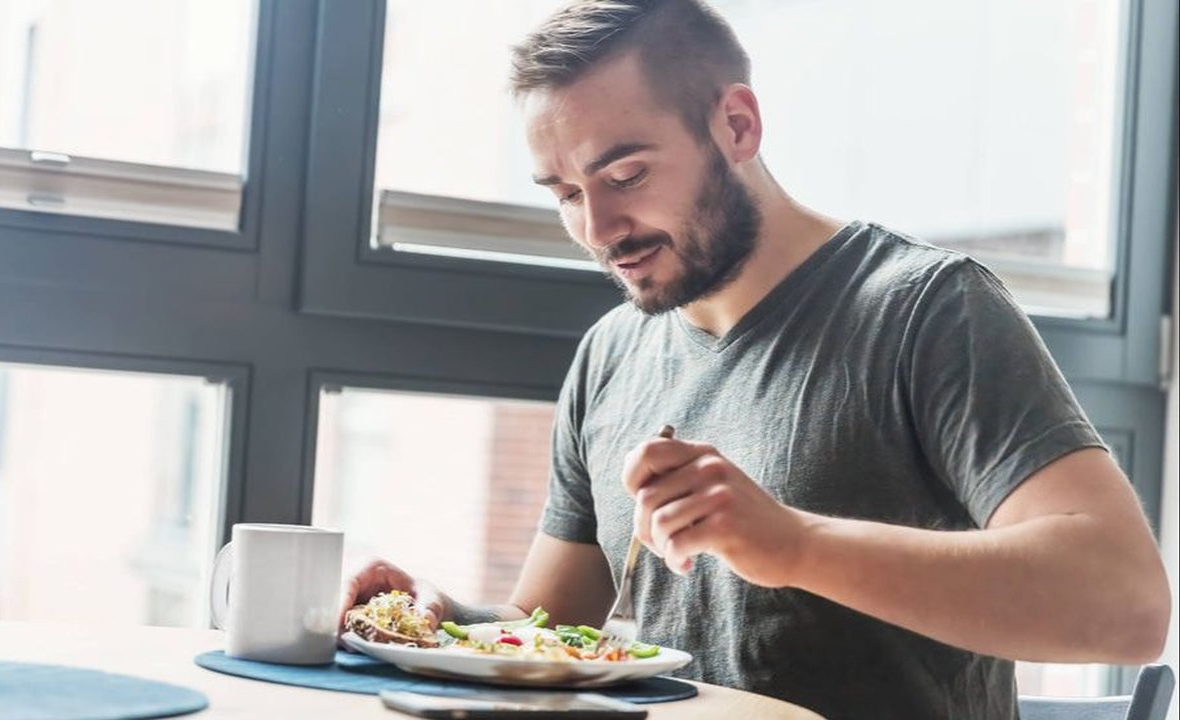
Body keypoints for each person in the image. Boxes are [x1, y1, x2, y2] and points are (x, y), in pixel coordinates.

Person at [340, 1, 1172, 717]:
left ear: (736, 126)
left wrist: (796, 546)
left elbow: (1125, 605)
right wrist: (443, 619)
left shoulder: (929, 308)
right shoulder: (611, 355)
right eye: (564, 195)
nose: (596, 230)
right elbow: (553, 633)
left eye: (625, 174)